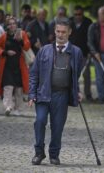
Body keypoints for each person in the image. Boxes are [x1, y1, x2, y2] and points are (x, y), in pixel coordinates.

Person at [28, 17, 83, 165]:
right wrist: (32, 94)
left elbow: (76, 74)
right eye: (58, 31)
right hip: (43, 93)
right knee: (39, 121)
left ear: (69, 32)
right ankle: (39, 153)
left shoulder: (76, 52)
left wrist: (76, 90)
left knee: (57, 126)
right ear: (54, 31)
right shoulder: (44, 50)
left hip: (62, 95)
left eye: (63, 32)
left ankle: (54, 155)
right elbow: (34, 73)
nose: (60, 34)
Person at [0, 17, 30, 116]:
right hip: (7, 66)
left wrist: (20, 41)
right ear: (7, 26)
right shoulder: (4, 36)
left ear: (16, 25)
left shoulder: (22, 34)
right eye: (10, 24)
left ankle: (18, 108)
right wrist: (5, 52)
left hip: (19, 66)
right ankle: (8, 107)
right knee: (8, 87)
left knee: (19, 89)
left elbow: (27, 46)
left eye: (13, 23)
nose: (12, 25)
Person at [69, 5, 93, 101]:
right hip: (72, 53)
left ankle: (88, 94)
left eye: (79, 14)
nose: (77, 16)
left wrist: (90, 51)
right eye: (76, 14)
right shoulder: (69, 22)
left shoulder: (88, 22)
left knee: (86, 74)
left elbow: (91, 38)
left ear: (82, 14)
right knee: (73, 74)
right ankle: (76, 94)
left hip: (84, 53)